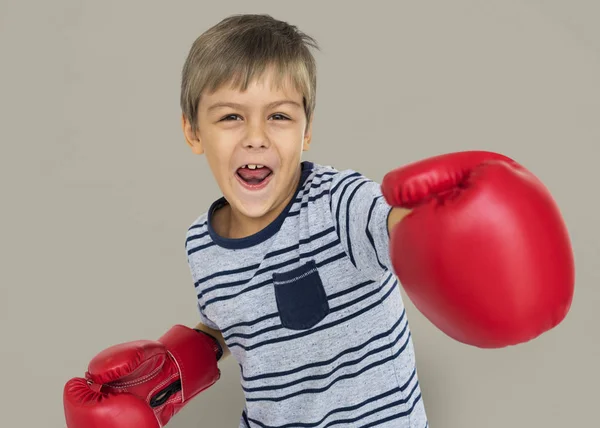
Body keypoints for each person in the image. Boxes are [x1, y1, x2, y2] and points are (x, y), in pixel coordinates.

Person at [63, 14, 574, 428]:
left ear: (307, 130)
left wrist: (452, 229)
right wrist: (186, 355)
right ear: (193, 132)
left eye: (279, 116)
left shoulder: (338, 203)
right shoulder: (202, 243)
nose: (256, 137)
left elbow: (392, 222)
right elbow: (237, 318)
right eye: (230, 117)